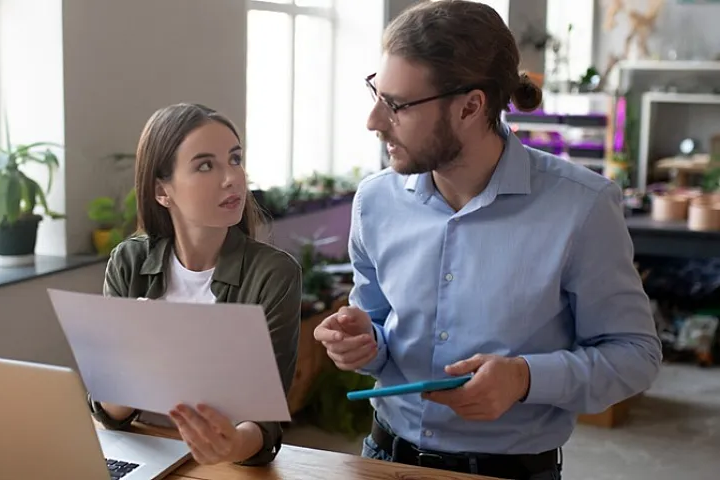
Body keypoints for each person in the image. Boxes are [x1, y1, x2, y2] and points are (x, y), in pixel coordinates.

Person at [314, 1, 662, 479]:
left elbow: (636, 355)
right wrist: (362, 342)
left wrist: (525, 378)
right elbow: (376, 325)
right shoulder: (375, 201)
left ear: (470, 107)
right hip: (383, 457)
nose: (374, 121)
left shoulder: (582, 206)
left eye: (396, 105)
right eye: (376, 92)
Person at [88, 103, 302, 467]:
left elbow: (264, 422)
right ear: (162, 191)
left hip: (228, 466)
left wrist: (232, 445)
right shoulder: (129, 262)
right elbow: (110, 413)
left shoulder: (274, 274)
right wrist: (133, 353)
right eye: (205, 165)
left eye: (235, 159)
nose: (232, 178)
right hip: (144, 454)